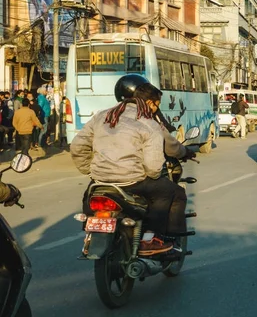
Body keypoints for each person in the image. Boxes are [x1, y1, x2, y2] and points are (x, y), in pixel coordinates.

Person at [71, 79, 189, 256]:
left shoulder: (101, 116)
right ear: (149, 103)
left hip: (100, 181)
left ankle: (89, 235)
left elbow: (77, 147)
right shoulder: (149, 123)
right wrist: (150, 173)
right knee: (173, 193)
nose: (156, 109)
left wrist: (90, 170)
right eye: (156, 105)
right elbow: (153, 168)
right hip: (132, 182)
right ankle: (152, 239)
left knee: (90, 195)